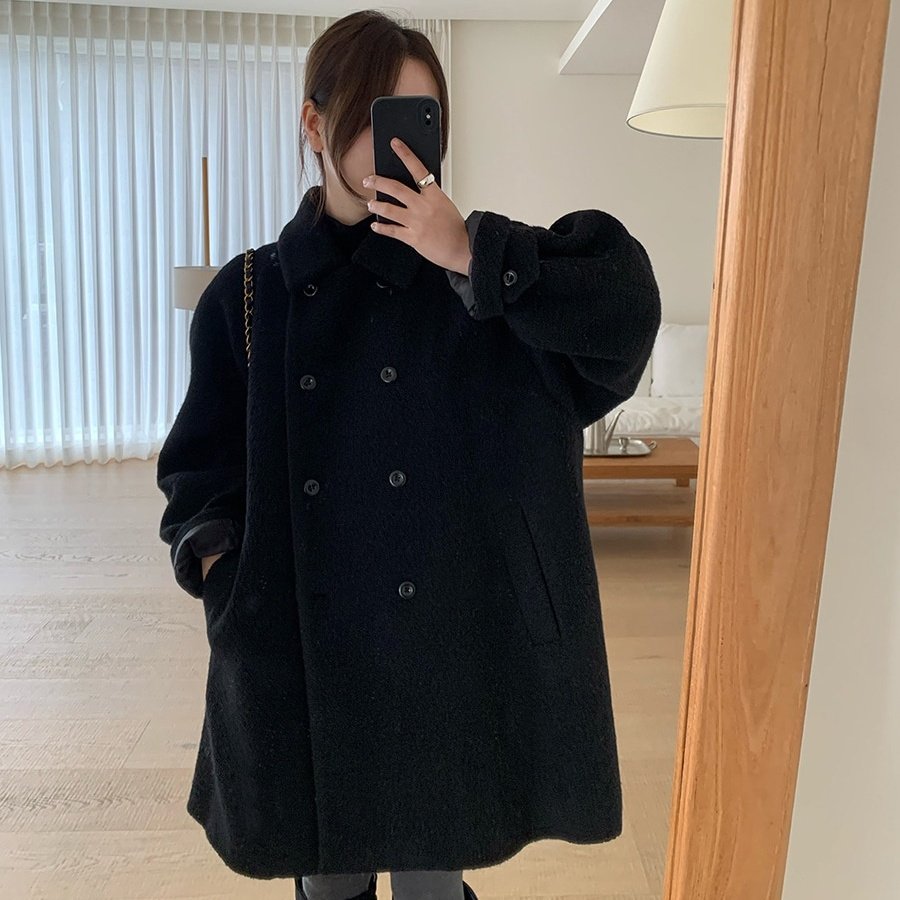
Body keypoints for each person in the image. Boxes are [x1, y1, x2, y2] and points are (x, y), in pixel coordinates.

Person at [156, 9, 662, 900]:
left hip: (449, 651)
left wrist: (469, 250)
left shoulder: (479, 285)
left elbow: (625, 313)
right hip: (296, 644)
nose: (398, 143)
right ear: (315, 124)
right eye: (373, 113)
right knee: (328, 882)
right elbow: (198, 471)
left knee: (434, 882)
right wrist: (223, 568)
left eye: (420, 119)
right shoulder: (248, 296)